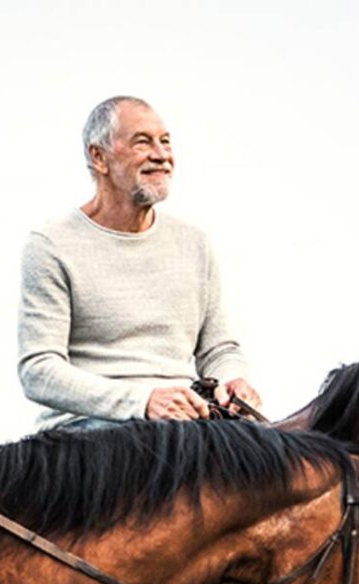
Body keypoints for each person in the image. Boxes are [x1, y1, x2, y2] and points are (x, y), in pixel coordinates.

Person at [16, 96, 262, 431]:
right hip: (91, 430)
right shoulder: (53, 244)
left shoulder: (194, 242)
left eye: (165, 141)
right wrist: (142, 402)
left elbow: (219, 349)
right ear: (99, 157)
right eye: (142, 142)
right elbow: (39, 371)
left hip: (186, 424)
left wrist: (233, 380)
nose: (161, 155)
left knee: (290, 462)